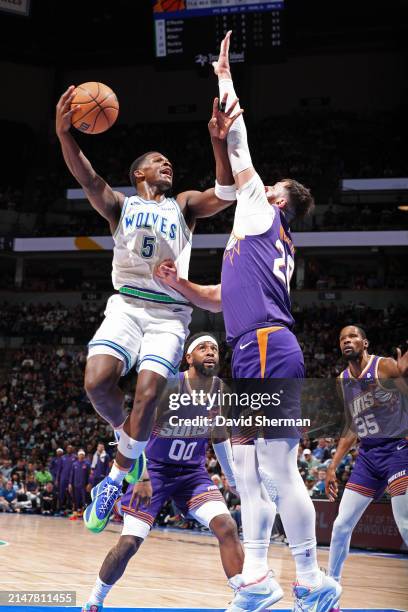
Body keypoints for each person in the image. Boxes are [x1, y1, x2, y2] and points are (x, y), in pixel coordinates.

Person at [156, 31, 340, 611]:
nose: (257, 185)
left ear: (277, 200)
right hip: (253, 344)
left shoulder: (263, 212)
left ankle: (310, 579)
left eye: (267, 185)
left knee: (275, 465)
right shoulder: (255, 238)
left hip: (266, 347)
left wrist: (224, 77)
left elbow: (240, 151)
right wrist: (181, 286)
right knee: (244, 463)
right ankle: (258, 579)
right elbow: (219, 298)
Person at [55, 86, 238, 533]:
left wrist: (218, 141)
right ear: (139, 173)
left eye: (168, 162)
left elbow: (227, 192)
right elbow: (87, 177)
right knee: (97, 383)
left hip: (169, 315)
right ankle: (128, 441)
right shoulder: (120, 205)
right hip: (126, 307)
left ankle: (116, 477)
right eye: (157, 161)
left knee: (149, 394)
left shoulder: (184, 205)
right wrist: (65, 134)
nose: (166, 165)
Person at [81, 332, 244, 611]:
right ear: (188, 357)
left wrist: (231, 477)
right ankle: (94, 600)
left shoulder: (222, 392)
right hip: (154, 472)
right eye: (203, 347)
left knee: (227, 527)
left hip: (192, 474)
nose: (210, 352)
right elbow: (132, 430)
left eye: (214, 348)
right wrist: (141, 475)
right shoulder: (167, 387)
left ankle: (244, 598)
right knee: (129, 544)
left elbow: (219, 437)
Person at [326, 325, 408, 611]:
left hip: (398, 452)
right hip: (369, 457)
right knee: (340, 526)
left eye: (353, 336)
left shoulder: (384, 366)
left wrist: (404, 375)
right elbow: (351, 425)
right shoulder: (343, 380)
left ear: (365, 342)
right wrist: (332, 465)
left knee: (406, 526)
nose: (347, 340)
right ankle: (331, 593)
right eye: (342, 337)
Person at [68, 450, 91, 520]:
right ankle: (76, 513)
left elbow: (90, 475)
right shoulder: (74, 464)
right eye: (80, 455)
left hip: (84, 485)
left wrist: (89, 483)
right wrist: (70, 484)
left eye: (82, 455)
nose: (81, 456)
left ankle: (85, 513)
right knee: (76, 500)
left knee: (84, 500)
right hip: (75, 485)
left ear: (84, 456)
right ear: (78, 456)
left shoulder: (87, 464)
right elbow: (72, 475)